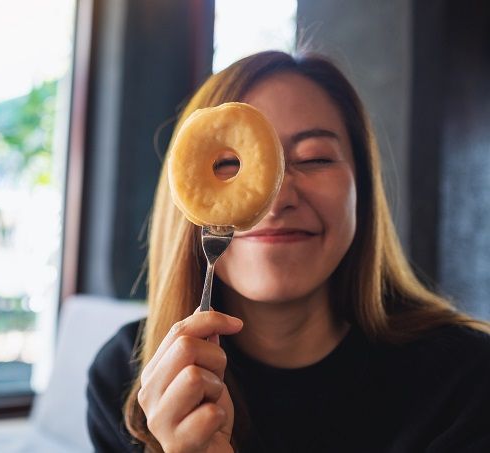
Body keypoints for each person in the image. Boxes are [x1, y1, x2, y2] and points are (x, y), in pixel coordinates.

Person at [86, 50, 490, 452]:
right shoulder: (125, 378)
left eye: (314, 158)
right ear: (185, 201)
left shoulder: (465, 379)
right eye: (229, 163)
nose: (277, 199)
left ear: (362, 192)